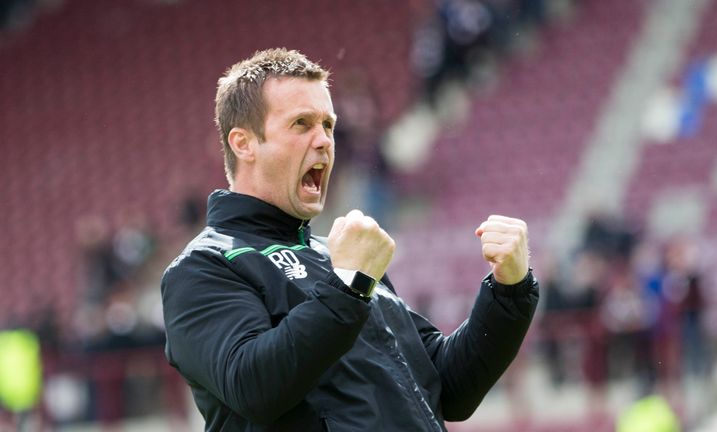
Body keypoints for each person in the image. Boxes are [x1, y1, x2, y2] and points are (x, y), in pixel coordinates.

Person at [161, 48, 538, 431]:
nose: (324, 140)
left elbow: (448, 386)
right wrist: (349, 285)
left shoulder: (337, 256)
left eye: (328, 124)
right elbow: (253, 387)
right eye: (301, 124)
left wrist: (509, 293)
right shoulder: (204, 267)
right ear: (244, 143)